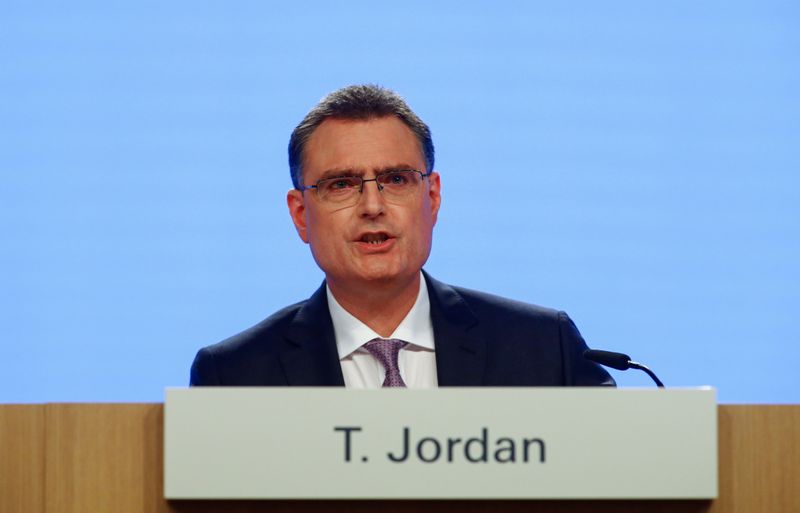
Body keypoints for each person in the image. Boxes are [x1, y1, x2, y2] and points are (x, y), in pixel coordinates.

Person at [190, 84, 614, 388]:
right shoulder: (235, 376)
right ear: (300, 215)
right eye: (341, 184)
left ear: (432, 197)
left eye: (395, 179)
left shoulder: (542, 348)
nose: (372, 205)